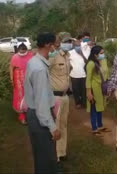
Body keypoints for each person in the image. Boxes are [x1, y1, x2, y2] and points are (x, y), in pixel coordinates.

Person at [24, 32, 60, 174]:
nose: (56, 47)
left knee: (41, 156)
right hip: (40, 118)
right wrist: (52, 127)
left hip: (34, 114)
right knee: (46, 158)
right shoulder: (39, 68)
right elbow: (41, 102)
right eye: (54, 44)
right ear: (47, 45)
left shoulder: (34, 62)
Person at [49, 32, 73, 163]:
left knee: (63, 125)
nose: (69, 44)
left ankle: (62, 152)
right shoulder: (53, 57)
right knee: (55, 126)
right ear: (59, 43)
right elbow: (44, 71)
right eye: (66, 42)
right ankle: (55, 155)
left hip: (65, 96)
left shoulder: (67, 56)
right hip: (55, 97)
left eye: (70, 42)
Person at [86, 45, 110, 136]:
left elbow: (106, 73)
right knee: (94, 109)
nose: (103, 55)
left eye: (103, 53)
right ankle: (94, 129)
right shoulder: (91, 63)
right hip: (93, 89)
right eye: (101, 53)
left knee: (100, 107)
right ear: (95, 54)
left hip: (101, 88)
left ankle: (100, 125)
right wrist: (89, 92)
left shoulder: (102, 61)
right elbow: (88, 79)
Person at [9, 43, 33, 124]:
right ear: (18, 50)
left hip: (29, 78)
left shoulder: (31, 55)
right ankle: (21, 116)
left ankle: (31, 114)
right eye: (21, 52)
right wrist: (12, 79)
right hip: (18, 78)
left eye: (24, 52)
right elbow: (11, 67)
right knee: (20, 96)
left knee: (30, 95)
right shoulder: (15, 57)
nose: (22, 53)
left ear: (26, 50)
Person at [69, 38, 87, 109]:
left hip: (83, 74)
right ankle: (77, 103)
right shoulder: (70, 53)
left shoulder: (84, 52)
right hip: (74, 75)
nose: (78, 47)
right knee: (76, 90)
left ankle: (83, 102)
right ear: (73, 45)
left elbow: (87, 61)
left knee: (83, 90)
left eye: (79, 45)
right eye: (76, 45)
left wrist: (81, 54)